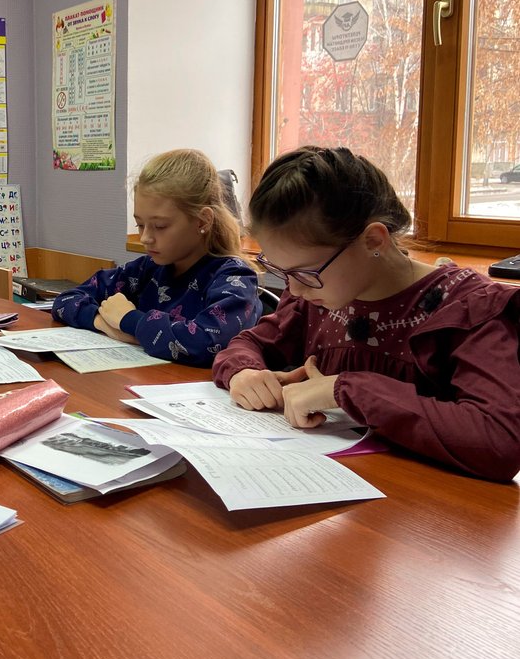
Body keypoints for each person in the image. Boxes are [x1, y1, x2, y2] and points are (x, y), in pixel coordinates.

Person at [212, 146, 520, 482]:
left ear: (373, 240)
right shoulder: (316, 298)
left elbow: (499, 441)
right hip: (328, 484)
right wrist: (244, 373)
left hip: (429, 503)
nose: (294, 289)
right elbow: (248, 344)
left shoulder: (471, 309)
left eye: (304, 273)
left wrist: (346, 390)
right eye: (279, 270)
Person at [52, 149, 261, 366]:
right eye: (140, 225)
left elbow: (206, 343)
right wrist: (102, 322)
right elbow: (66, 300)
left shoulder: (234, 278)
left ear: (203, 221)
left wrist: (129, 320)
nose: (145, 238)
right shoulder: (146, 269)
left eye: (160, 226)